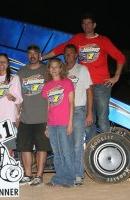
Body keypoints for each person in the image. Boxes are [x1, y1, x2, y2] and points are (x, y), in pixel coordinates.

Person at [41, 12, 126, 142]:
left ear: (94, 25)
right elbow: (61, 49)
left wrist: (116, 77)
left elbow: (120, 57)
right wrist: (42, 57)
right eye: (84, 24)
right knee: (88, 120)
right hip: (85, 87)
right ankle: (92, 148)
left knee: (102, 119)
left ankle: (107, 147)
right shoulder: (78, 39)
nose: (86, 26)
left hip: (101, 86)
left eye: (89, 23)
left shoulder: (103, 40)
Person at [17, 45, 52, 186]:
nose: (32, 55)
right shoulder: (21, 72)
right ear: (27, 55)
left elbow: (52, 93)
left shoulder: (46, 70)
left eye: (35, 53)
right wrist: (17, 115)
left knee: (41, 147)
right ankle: (27, 174)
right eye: (29, 53)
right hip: (25, 117)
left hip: (43, 117)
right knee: (24, 147)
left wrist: (50, 118)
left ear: (39, 55)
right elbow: (18, 96)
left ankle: (39, 175)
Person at [42, 57, 75, 187]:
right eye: (52, 67)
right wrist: (46, 125)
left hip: (64, 123)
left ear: (61, 68)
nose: (54, 69)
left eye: (57, 67)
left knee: (66, 151)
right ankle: (59, 178)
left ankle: (69, 179)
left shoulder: (67, 83)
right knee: (57, 152)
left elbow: (72, 103)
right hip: (52, 124)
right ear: (49, 70)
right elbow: (48, 106)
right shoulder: (47, 86)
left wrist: (70, 123)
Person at [63, 44, 93, 186]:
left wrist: (89, 113)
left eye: (71, 53)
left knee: (77, 144)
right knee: (66, 145)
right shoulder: (60, 71)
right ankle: (69, 174)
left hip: (78, 110)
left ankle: (78, 175)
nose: (68, 55)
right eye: (66, 53)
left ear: (76, 55)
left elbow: (89, 91)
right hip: (63, 112)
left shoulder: (82, 69)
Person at [0, 53, 23, 157]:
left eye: (4, 61)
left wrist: (13, 98)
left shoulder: (14, 78)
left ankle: (8, 168)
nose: (2, 63)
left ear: (8, 64)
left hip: (10, 118)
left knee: (9, 147)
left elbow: (20, 99)